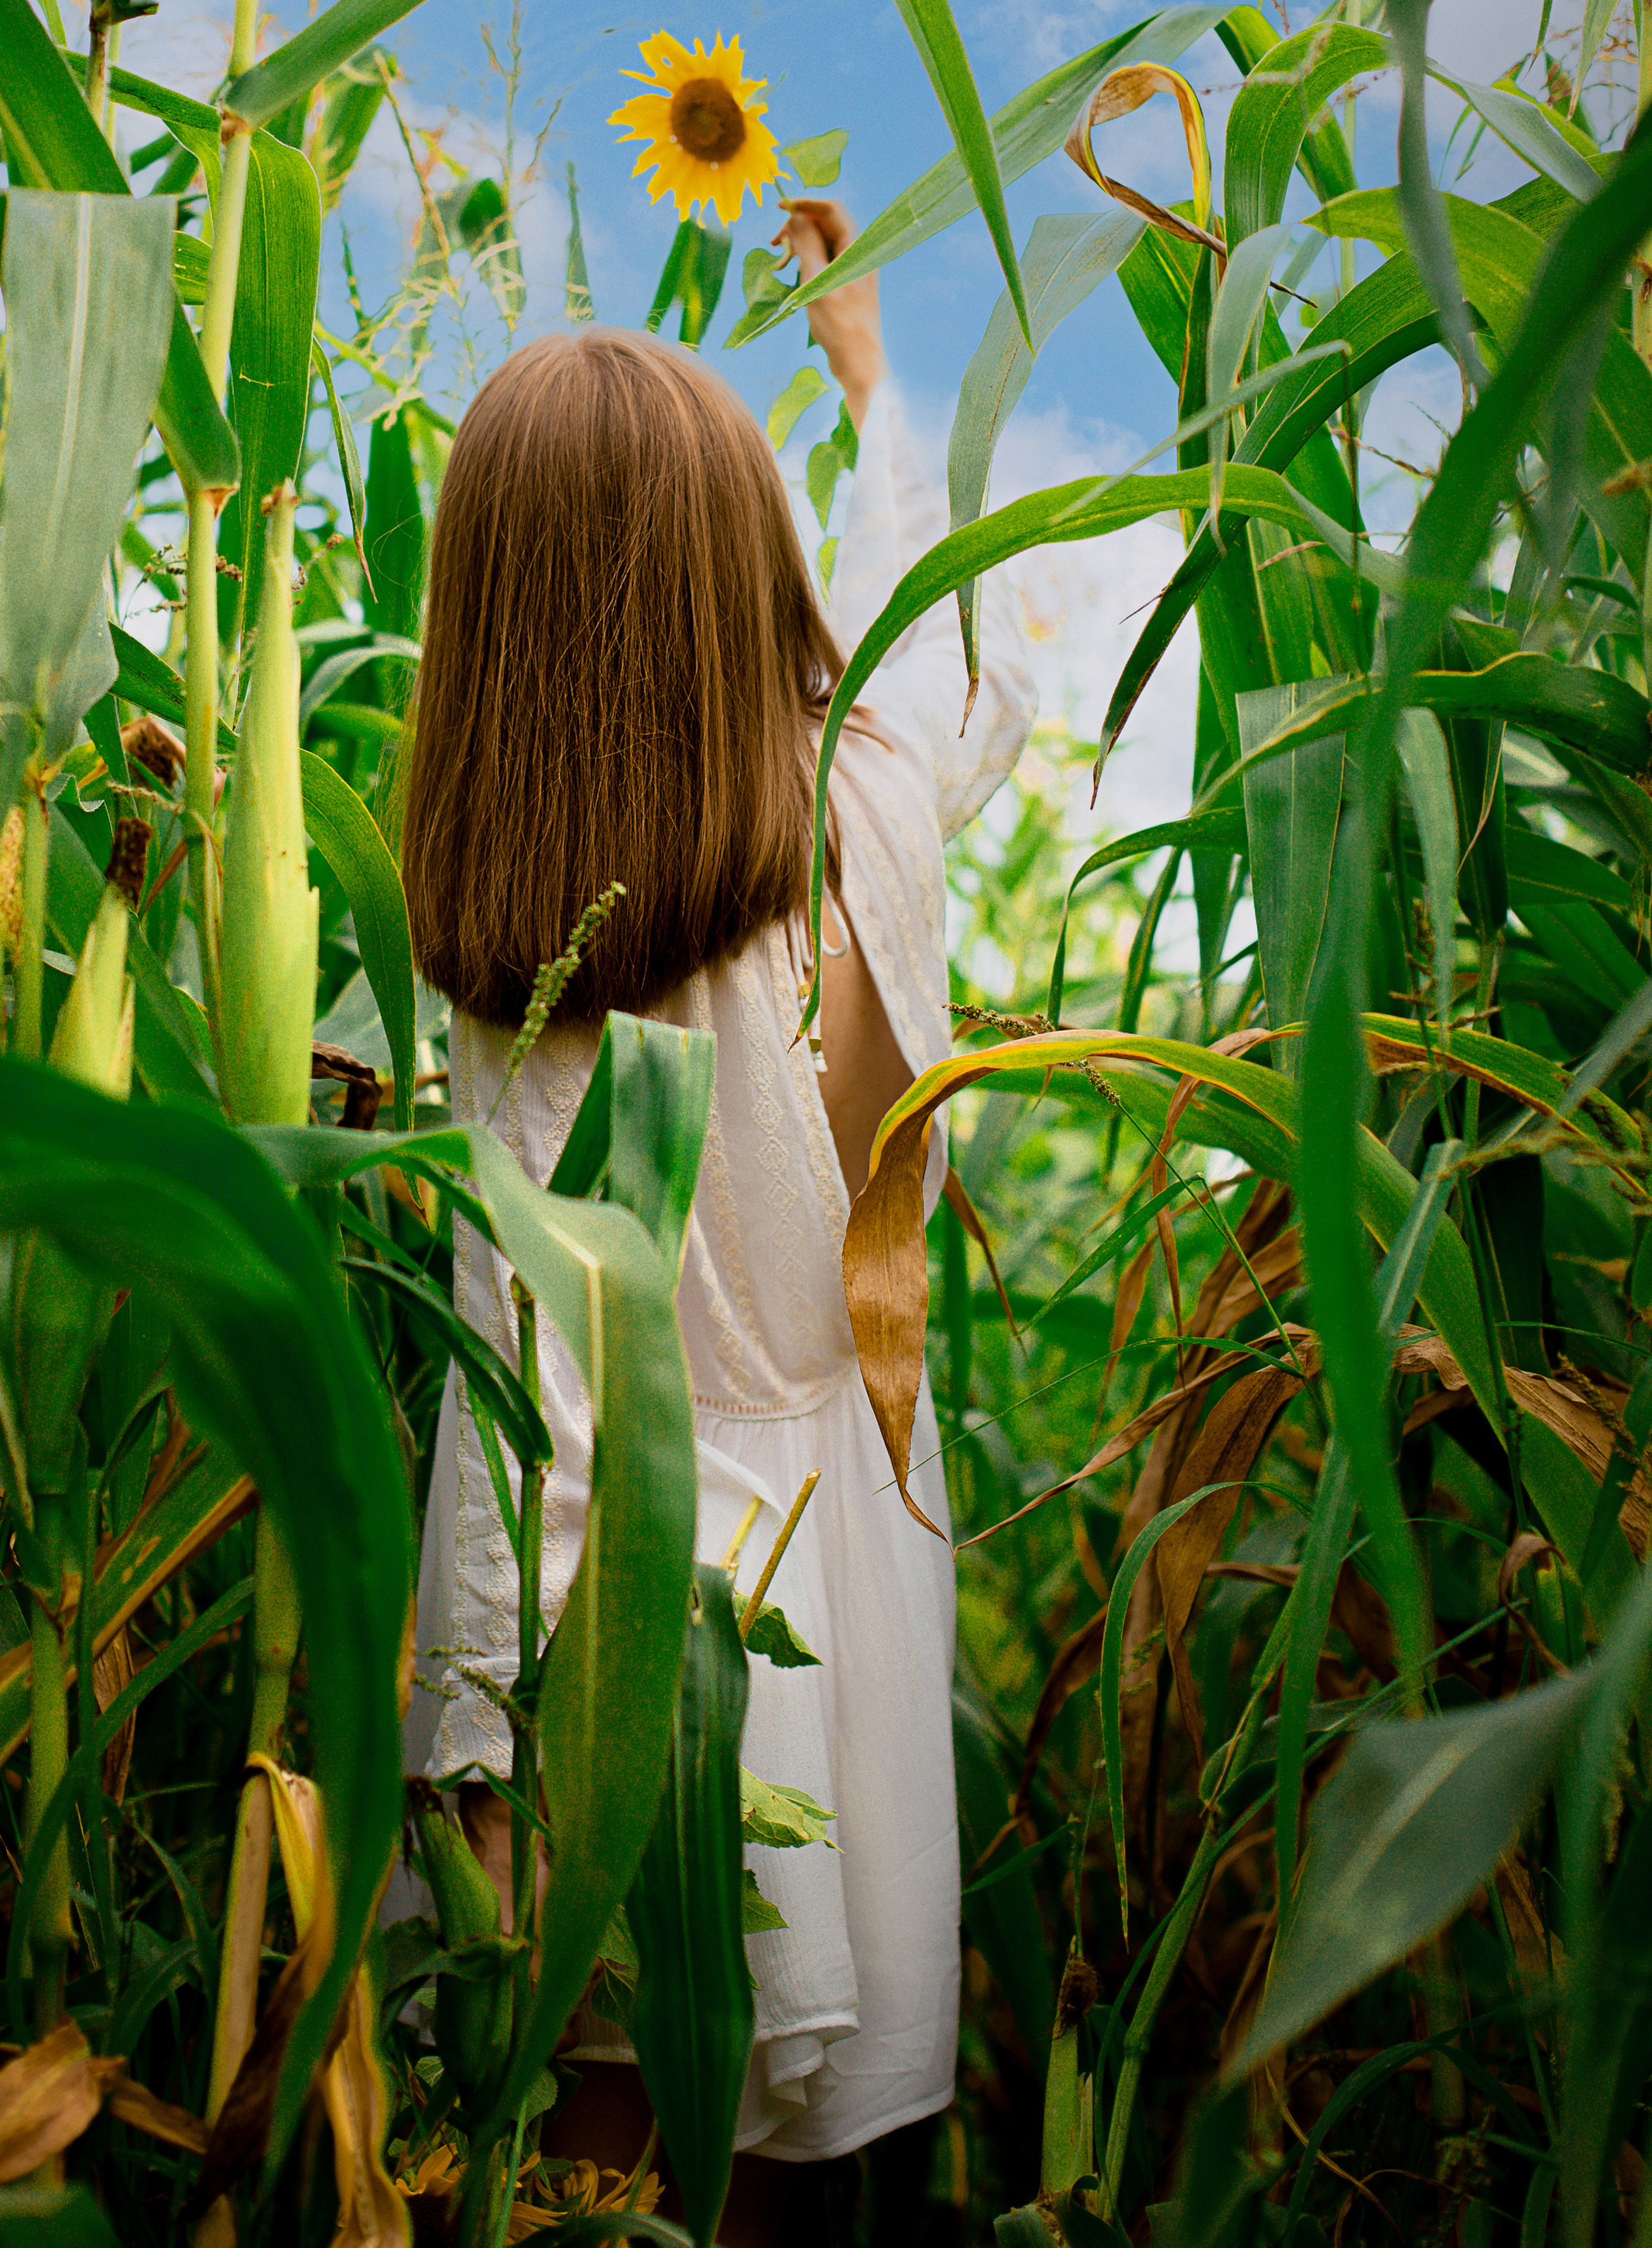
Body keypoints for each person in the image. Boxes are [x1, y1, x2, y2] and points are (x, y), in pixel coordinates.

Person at [399, 204, 1035, 2241]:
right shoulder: (867, 817)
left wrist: (488, 1751)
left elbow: (538, 1401)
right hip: (833, 1578)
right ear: (747, 585)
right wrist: (871, 392)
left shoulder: (513, 950)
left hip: (621, 1631)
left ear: (495, 636)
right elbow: (973, 662)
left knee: (592, 2170)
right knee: (773, 2187)